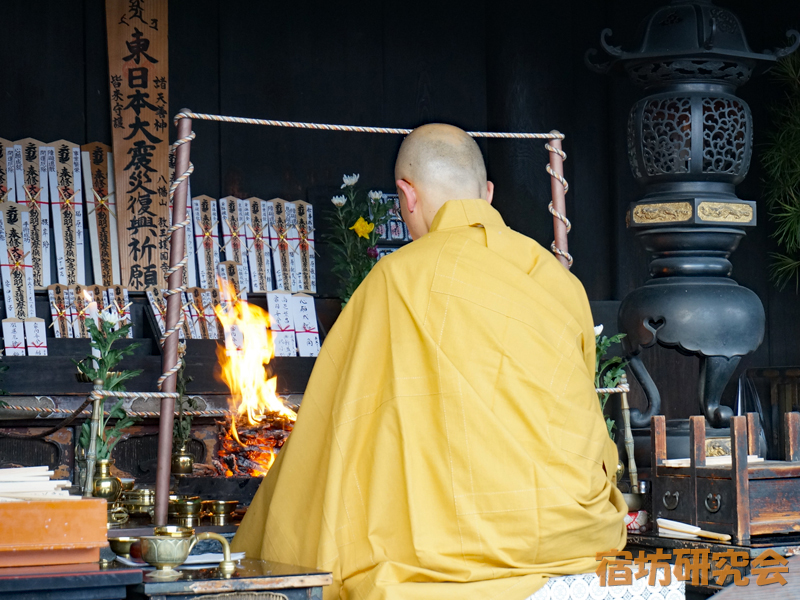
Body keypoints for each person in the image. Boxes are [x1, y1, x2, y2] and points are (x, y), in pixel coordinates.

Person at [232, 124, 627, 600]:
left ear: (406, 195)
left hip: (445, 558)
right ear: (488, 194)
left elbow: (334, 429)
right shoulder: (560, 282)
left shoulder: (397, 280)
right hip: (576, 538)